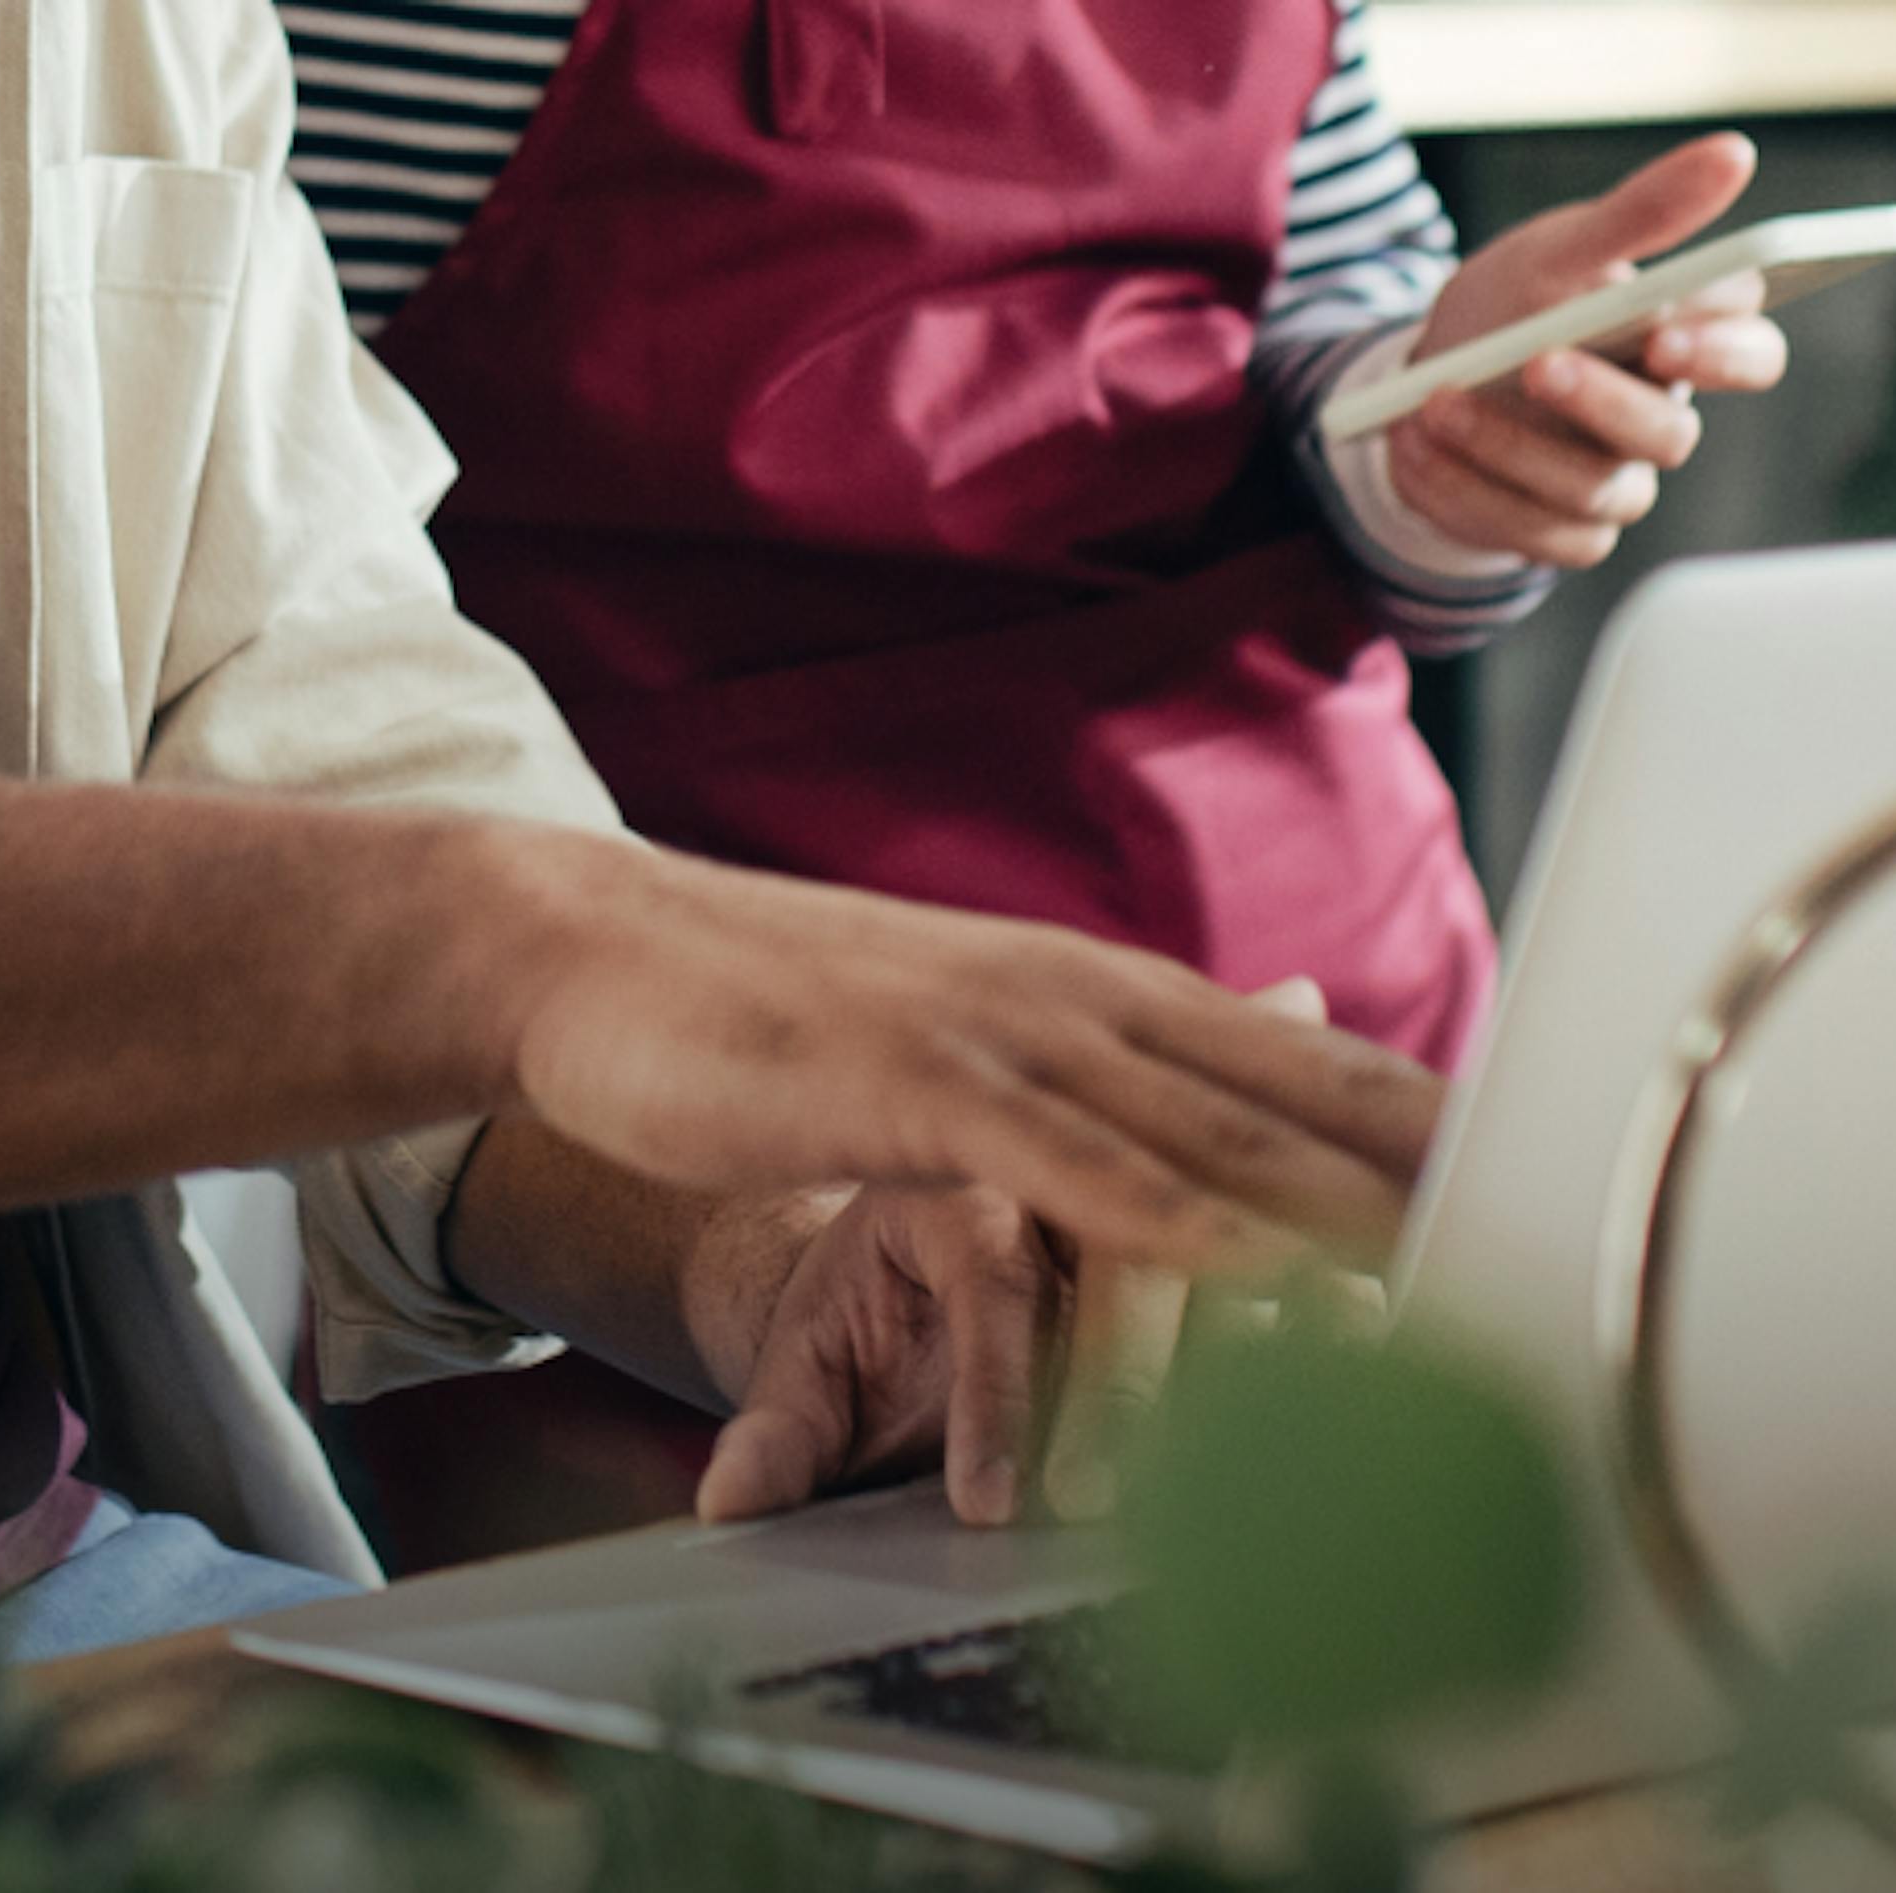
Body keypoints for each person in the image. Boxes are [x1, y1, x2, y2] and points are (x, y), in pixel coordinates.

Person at [0, 0, 1439, 1672]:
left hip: (37, 1545)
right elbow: (438, 922)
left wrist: (772, 1260)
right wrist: (532, 951)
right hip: (674, 1063)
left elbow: (274, 663)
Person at [280, 0, 1790, 1555]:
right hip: (729, 1179)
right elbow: (263, 592)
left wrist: (1453, 430)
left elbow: (1329, 351)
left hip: (1326, 1030)